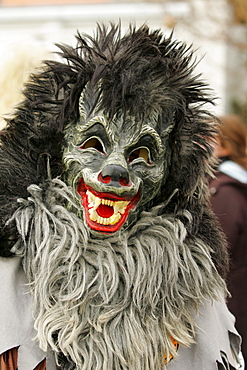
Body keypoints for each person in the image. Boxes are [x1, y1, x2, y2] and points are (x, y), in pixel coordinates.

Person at [0, 24, 243, 369]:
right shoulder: (10, 269)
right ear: (55, 146)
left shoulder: (193, 282)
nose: (115, 171)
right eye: (93, 144)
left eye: (142, 154)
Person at [209, 114, 247, 364]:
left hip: (231, 310)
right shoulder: (237, 185)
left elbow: (214, 257)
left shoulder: (224, 193)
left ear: (224, 146)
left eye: (207, 138)